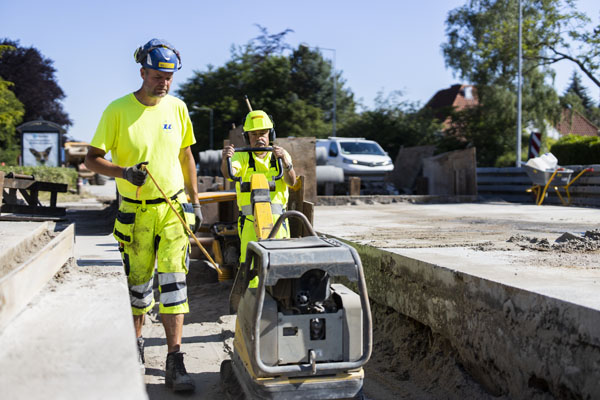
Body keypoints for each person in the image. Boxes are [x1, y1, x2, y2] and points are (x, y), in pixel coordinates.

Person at [84, 38, 201, 393]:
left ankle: (174, 361)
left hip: (173, 212)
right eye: (157, 76)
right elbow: (91, 159)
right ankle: (133, 351)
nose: (163, 83)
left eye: (169, 77)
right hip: (135, 215)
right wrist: (123, 173)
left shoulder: (178, 108)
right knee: (137, 291)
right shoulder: (116, 110)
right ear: (142, 72)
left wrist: (195, 203)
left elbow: (186, 158)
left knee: (174, 288)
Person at [221, 110, 296, 286]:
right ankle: (254, 306)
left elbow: (291, 181)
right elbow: (229, 174)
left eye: (263, 133)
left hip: (279, 223)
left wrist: (286, 162)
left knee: (281, 267)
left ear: (271, 134)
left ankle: (278, 305)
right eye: (254, 134)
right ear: (247, 137)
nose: (259, 137)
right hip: (249, 223)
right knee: (251, 269)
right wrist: (226, 160)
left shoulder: (279, 156)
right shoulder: (241, 156)